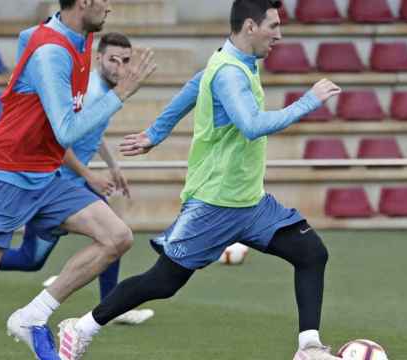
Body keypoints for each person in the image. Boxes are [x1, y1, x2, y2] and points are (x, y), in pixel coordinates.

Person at [57, 0, 343, 359]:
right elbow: (251, 125)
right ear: (251, 27)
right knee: (162, 282)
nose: (279, 35)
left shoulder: (231, 59)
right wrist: (308, 101)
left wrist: (155, 133)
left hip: (250, 202)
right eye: (273, 26)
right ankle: (80, 328)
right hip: (214, 204)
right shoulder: (229, 72)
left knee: (311, 253)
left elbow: (194, 85)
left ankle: (309, 349)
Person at [0, 0, 155, 358]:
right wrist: (121, 93)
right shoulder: (51, 52)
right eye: (103, 1)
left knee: (116, 237)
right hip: (5, 176)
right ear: (82, 3)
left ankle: (32, 317)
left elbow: (27, 38)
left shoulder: (77, 36)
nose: (110, 8)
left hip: (45, 175)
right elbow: (66, 131)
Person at [0, 32, 154, 326]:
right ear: (98, 59)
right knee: (30, 260)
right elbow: (62, 140)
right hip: (54, 183)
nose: (119, 67)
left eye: (125, 60)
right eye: (112, 60)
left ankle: (111, 308)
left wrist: (113, 166)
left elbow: (94, 131)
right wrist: (90, 175)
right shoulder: (93, 92)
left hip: (74, 184)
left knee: (115, 235)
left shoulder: (106, 92)